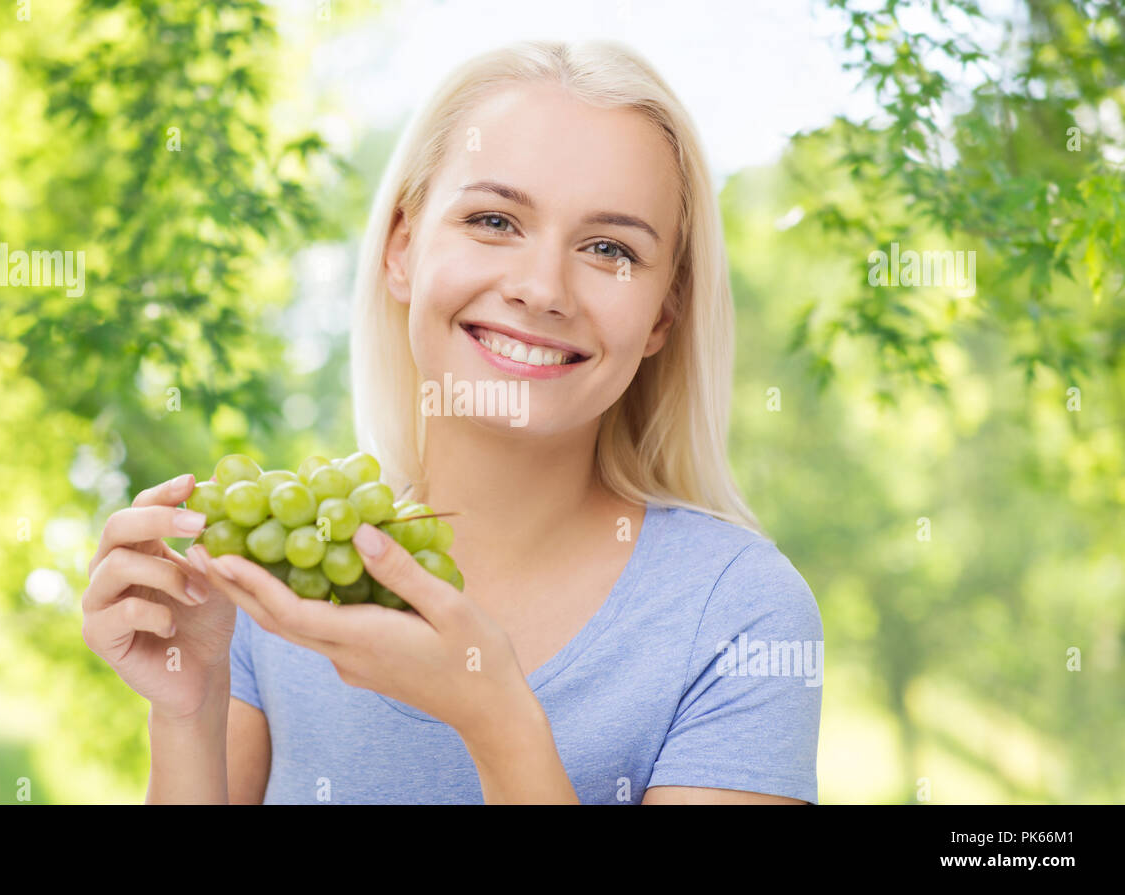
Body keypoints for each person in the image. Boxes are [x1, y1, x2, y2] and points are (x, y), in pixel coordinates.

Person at [82, 39, 823, 804]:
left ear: (664, 312)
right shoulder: (282, 574)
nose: (541, 289)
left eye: (609, 248)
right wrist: (187, 714)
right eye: (495, 220)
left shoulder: (740, 612)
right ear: (402, 249)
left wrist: (494, 717)